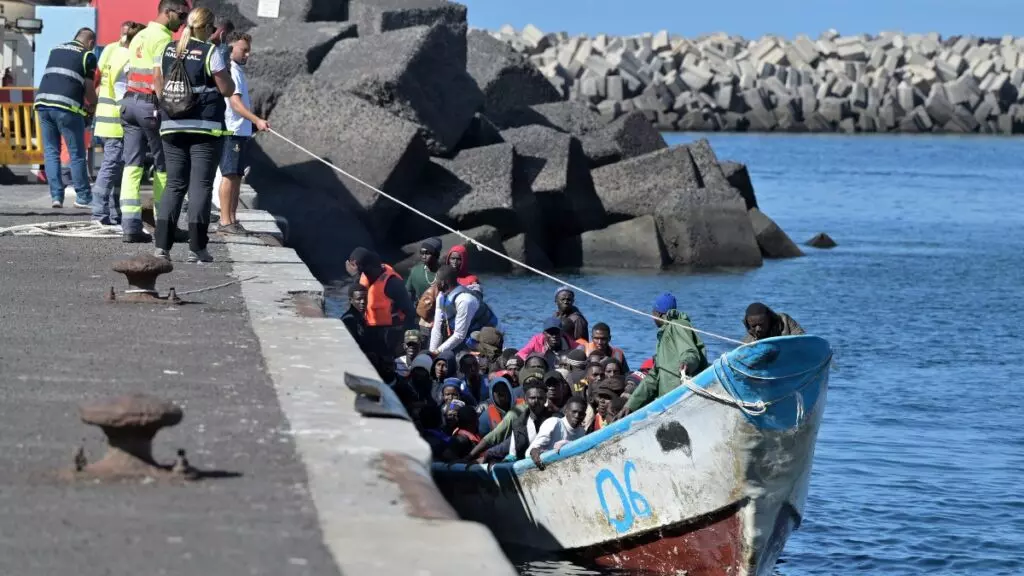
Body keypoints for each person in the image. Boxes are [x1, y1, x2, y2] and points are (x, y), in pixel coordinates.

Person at [152, 7, 236, 263]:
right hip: (204, 128)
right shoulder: (210, 52)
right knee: (200, 186)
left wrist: (169, 105)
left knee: (174, 185)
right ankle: (197, 248)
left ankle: (161, 247)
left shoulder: (167, 48)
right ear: (209, 28)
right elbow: (226, 89)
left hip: (172, 125)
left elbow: (158, 82)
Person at [119, 0, 188, 243]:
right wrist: (168, 106)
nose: (183, 21)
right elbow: (159, 76)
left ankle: (130, 226)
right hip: (150, 105)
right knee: (164, 166)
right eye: (181, 15)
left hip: (129, 104)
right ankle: (165, 226)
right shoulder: (163, 39)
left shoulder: (139, 35)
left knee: (132, 165)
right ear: (167, 12)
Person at [34, 27, 98, 209]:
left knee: (51, 151)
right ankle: (84, 197)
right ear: (91, 43)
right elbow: (89, 88)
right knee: (76, 154)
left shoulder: (56, 48)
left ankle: (56, 196)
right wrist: (94, 105)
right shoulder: (88, 56)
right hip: (66, 108)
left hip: (43, 104)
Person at [619, 293, 710, 417]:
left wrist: (686, 363)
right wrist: (631, 404)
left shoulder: (677, 326)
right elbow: (653, 376)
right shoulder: (664, 336)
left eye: (653, 313)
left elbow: (690, 352)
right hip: (668, 401)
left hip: (680, 398)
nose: (652, 316)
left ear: (659, 314)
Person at [215, 31, 269, 235]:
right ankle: (225, 221)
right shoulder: (230, 70)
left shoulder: (237, 70)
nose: (247, 55)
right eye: (244, 50)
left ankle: (233, 219)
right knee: (229, 175)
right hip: (231, 131)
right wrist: (257, 121)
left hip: (239, 132)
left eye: (249, 51)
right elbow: (235, 104)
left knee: (237, 175)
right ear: (231, 48)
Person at [91, 21, 144, 227]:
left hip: (106, 117)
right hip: (116, 120)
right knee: (111, 167)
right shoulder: (129, 57)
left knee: (117, 168)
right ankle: (99, 213)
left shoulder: (112, 51)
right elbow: (123, 91)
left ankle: (114, 214)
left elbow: (99, 81)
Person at [347, 247, 418, 351]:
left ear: (368, 267)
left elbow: (410, 312)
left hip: (391, 334)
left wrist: (405, 342)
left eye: (356, 267)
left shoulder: (392, 284)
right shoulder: (362, 278)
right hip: (370, 331)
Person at [429, 265, 501, 355]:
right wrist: (431, 353)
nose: (435, 284)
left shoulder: (465, 300)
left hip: (484, 335)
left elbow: (459, 335)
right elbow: (437, 328)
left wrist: (438, 352)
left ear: (443, 283)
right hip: (465, 334)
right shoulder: (441, 296)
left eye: (437, 281)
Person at [482, 380, 555, 464]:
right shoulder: (518, 425)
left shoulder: (554, 418)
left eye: (540, 398)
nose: (536, 401)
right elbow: (512, 454)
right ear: (525, 399)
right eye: (532, 398)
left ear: (546, 399)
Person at [528, 395, 587, 470]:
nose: (577, 416)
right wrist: (535, 452)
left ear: (584, 416)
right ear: (565, 411)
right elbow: (530, 452)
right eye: (574, 412)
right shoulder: (553, 423)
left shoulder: (582, 433)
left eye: (581, 413)